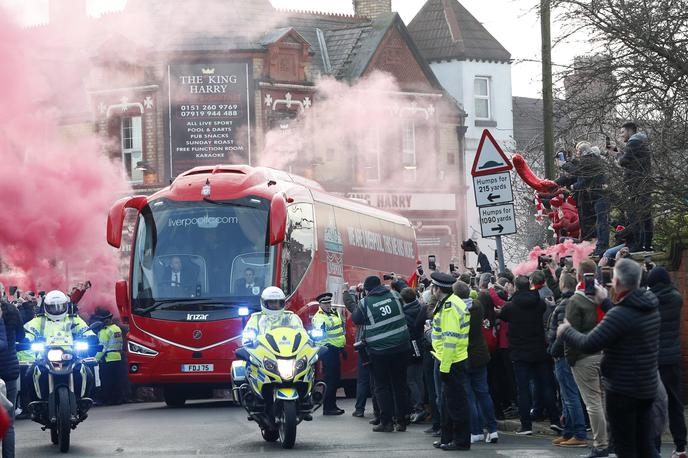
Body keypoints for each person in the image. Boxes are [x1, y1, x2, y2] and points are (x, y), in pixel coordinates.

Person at [558, 258, 660, 458]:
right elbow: (625, 319)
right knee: (645, 445)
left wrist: (566, 331)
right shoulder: (650, 308)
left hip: (623, 391)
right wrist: (604, 301)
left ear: (619, 283)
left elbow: (590, 343)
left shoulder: (621, 314)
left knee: (626, 449)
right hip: (646, 387)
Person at [498, 275, 561, 435]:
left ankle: (526, 425)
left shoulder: (510, 307)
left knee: (523, 389)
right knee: (547, 386)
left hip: (520, 352)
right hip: (539, 349)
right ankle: (554, 420)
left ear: (516, 287)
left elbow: (502, 314)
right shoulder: (539, 303)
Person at [352, 276, 410, 433]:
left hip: (379, 351)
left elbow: (356, 319)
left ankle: (386, 422)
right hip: (401, 347)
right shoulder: (395, 295)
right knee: (399, 385)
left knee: (382, 386)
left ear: (367, 290)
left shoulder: (365, 303)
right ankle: (402, 421)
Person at [564, 259, 609, 456]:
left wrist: (570, 358)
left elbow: (569, 332)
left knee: (593, 402)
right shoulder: (604, 294)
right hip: (605, 353)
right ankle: (611, 439)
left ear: (580, 276)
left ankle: (601, 444)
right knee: (605, 399)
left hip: (584, 356)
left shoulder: (576, 300)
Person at [24, 291, 96, 404]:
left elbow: (85, 330)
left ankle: (83, 400)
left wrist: (90, 337)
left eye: (60, 306)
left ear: (66, 306)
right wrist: (27, 339)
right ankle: (34, 402)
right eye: (53, 307)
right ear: (46, 307)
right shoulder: (40, 320)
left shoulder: (73, 319)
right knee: (30, 374)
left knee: (87, 373)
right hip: (44, 357)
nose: (56, 310)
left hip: (71, 355)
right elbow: (29, 331)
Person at [428, 272, 470, 451]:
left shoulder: (450, 307)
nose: (431, 290)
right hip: (447, 358)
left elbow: (450, 340)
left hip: (452, 361)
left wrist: (444, 367)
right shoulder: (446, 303)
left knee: (455, 404)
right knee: (446, 403)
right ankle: (447, 437)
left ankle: (460, 441)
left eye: (433, 287)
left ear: (438, 289)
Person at [546, 271, 588, 448]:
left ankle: (578, 433)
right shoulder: (574, 301)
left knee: (569, 395)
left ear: (563, 285)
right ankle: (569, 431)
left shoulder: (565, 304)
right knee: (566, 395)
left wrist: (553, 350)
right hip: (569, 354)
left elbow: (563, 332)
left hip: (563, 355)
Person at [648, 267, 686, 458]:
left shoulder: (651, 301)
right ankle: (680, 447)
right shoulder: (676, 298)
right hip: (673, 359)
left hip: (654, 360)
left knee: (655, 405)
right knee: (675, 404)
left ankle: (655, 447)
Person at [454, 280, 498, 445]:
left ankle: (476, 431)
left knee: (469, 396)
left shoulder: (456, 311)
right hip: (480, 355)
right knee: (483, 393)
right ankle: (492, 429)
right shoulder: (478, 306)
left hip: (464, 355)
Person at [557, 142, 610, 256]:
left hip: (597, 196)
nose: (577, 154)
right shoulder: (591, 160)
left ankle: (601, 246)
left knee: (601, 223)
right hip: (594, 197)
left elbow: (578, 172)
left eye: (577, 152)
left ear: (581, 152)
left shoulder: (589, 160)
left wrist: (564, 164)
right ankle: (597, 246)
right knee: (597, 223)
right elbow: (579, 172)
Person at [612, 122, 653, 252]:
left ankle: (638, 245)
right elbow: (631, 159)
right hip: (643, 184)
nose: (621, 135)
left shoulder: (633, 142)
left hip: (636, 186)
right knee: (645, 215)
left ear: (630, 131)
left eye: (622, 132)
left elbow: (624, 161)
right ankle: (647, 245)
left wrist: (616, 155)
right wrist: (619, 153)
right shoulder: (641, 143)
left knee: (635, 216)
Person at [343, 284, 380, 422]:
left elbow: (351, 306)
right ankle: (378, 411)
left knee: (362, 380)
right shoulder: (378, 308)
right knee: (376, 380)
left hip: (364, 346)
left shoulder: (363, 308)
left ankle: (359, 409)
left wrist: (348, 291)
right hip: (377, 346)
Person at [311, 292, 345, 415]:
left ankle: (332, 405)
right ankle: (328, 407)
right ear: (320, 304)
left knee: (335, 379)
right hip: (328, 350)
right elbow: (318, 336)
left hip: (336, 349)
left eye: (329, 303)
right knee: (330, 379)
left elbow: (340, 330)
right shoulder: (319, 317)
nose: (327, 305)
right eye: (325, 303)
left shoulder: (335, 313)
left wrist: (342, 347)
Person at [399, 287, 426, 424]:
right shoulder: (419, 307)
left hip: (412, 346)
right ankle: (420, 405)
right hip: (420, 345)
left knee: (411, 380)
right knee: (418, 378)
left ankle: (418, 407)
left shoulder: (406, 313)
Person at [0, 298, 23, 458]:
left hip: (8, 371)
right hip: (9, 371)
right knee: (8, 422)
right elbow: (21, 335)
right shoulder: (12, 310)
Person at [94, 309, 124, 405]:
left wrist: (95, 359)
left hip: (108, 359)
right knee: (117, 380)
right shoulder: (116, 328)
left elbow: (102, 348)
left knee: (106, 380)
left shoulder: (105, 331)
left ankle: (106, 399)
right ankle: (118, 399)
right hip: (118, 357)